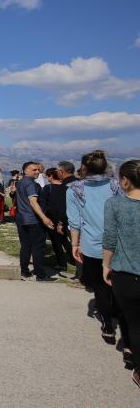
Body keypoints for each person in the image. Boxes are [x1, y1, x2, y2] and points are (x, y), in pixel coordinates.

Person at [68, 150, 125, 340]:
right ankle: (123, 320)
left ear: (84, 168)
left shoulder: (74, 189)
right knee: (119, 283)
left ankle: (107, 325)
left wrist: (75, 244)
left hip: (92, 243)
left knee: (100, 287)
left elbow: (74, 222)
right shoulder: (117, 186)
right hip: (119, 243)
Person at [103, 159, 140, 385]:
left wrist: (106, 265)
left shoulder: (115, 204)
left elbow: (110, 239)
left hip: (126, 273)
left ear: (124, 180)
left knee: (134, 324)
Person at [15, 161, 55, 281]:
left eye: (38, 169)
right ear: (25, 171)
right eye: (34, 170)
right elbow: (33, 202)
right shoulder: (30, 183)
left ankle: (24, 270)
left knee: (25, 245)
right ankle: (40, 274)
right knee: (38, 247)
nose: (38, 172)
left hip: (21, 218)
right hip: (33, 219)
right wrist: (44, 218)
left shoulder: (20, 182)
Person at [40, 168, 73, 270]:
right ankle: (73, 258)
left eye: (47, 176)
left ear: (51, 176)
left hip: (51, 218)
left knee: (55, 241)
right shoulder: (67, 188)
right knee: (64, 239)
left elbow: (43, 204)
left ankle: (62, 263)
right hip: (64, 217)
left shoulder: (48, 188)